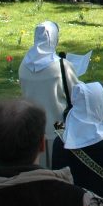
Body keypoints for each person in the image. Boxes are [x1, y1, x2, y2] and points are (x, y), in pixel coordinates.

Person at [18, 21, 80, 167]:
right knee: (60, 166)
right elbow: (76, 94)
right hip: (58, 124)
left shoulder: (24, 65)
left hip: (33, 126)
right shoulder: (61, 66)